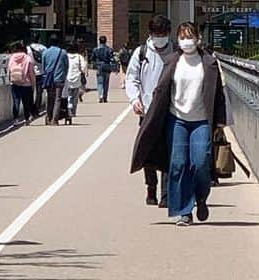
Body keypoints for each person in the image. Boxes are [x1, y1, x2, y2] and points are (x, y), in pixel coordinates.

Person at [130, 22, 227, 228]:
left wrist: (220, 121)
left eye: (190, 36)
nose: (186, 41)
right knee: (178, 164)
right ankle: (184, 210)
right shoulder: (173, 62)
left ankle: (200, 197)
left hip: (201, 121)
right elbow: (161, 91)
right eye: (182, 37)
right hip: (177, 120)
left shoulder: (209, 63)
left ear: (198, 38)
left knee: (200, 162)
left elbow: (218, 94)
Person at [125, 14, 173, 207]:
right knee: (148, 150)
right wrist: (134, 99)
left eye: (163, 34)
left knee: (169, 152)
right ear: (151, 34)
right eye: (156, 33)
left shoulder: (176, 51)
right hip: (147, 110)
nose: (160, 37)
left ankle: (167, 194)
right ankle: (150, 188)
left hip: (171, 110)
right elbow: (131, 77)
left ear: (168, 33)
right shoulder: (141, 52)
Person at [39, 36, 68, 125]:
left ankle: (48, 117)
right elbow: (66, 66)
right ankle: (55, 119)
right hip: (59, 78)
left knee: (49, 99)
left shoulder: (45, 52)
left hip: (49, 79)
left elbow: (43, 67)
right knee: (58, 99)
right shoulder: (63, 52)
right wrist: (64, 75)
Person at [7, 41, 36, 123]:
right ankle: (26, 118)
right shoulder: (28, 58)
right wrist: (33, 84)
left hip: (15, 82)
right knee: (25, 102)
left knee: (16, 101)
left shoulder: (12, 57)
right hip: (26, 83)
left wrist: (10, 80)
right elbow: (31, 73)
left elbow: (9, 70)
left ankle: (15, 119)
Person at [63, 42, 86, 123]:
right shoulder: (79, 57)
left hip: (67, 79)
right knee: (75, 97)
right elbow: (83, 68)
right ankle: (73, 112)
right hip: (77, 79)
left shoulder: (65, 56)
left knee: (68, 96)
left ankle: (68, 109)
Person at [92, 35, 116, 103]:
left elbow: (92, 58)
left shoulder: (96, 49)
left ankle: (100, 95)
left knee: (100, 82)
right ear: (106, 41)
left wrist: (95, 64)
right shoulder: (109, 49)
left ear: (99, 41)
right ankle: (105, 97)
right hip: (107, 66)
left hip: (99, 67)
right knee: (106, 83)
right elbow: (112, 59)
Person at [28, 37, 46, 114]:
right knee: (39, 92)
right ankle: (36, 108)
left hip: (31, 72)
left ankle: (30, 108)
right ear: (39, 39)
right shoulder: (43, 48)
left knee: (30, 92)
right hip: (41, 72)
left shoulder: (28, 48)